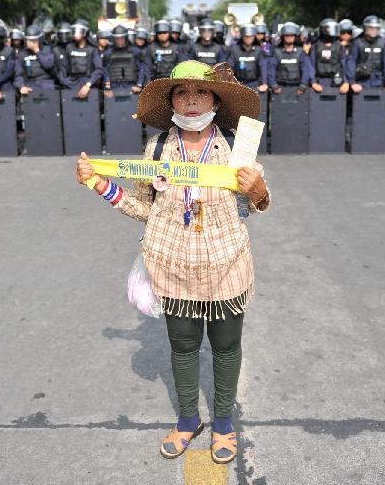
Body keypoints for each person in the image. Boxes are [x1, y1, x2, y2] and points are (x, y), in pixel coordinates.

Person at [75, 59, 270, 465]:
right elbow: (144, 207)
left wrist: (258, 189)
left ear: (216, 98)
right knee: (182, 347)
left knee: (226, 347)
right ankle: (187, 420)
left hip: (226, 263)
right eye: (182, 92)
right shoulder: (158, 148)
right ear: (172, 101)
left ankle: (222, 424)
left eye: (201, 92)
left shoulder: (237, 147)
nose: (193, 101)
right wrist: (97, 182)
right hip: (172, 265)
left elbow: (257, 205)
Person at [345, 15, 385, 94]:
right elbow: (351, 62)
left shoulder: (382, 43)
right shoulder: (357, 42)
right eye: (371, 28)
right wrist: (352, 82)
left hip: (379, 81)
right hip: (361, 82)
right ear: (365, 28)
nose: (373, 30)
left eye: (376, 28)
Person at [60, 20, 103, 99]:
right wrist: (66, 82)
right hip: (71, 84)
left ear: (85, 32)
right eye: (74, 31)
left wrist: (88, 85)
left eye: (79, 31)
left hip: (88, 84)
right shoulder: (69, 47)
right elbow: (63, 67)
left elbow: (99, 70)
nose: (76, 34)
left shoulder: (92, 49)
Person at [267, 22, 312, 94]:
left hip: (298, 88)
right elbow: (271, 70)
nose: (289, 37)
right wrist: (274, 85)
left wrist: (303, 85)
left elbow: (305, 69)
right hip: (280, 88)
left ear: (295, 37)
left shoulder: (301, 52)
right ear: (282, 37)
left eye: (292, 35)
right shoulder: (276, 52)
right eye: (287, 35)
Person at [102, 24, 145, 97]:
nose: (119, 41)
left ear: (126, 38)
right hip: (114, 87)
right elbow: (105, 70)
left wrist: (139, 85)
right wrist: (107, 87)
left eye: (121, 38)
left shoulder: (135, 51)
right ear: (113, 39)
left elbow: (141, 68)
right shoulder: (108, 53)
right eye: (117, 39)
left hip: (131, 87)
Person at [16, 25, 57, 94]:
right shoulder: (22, 54)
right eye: (29, 40)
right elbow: (18, 74)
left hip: (47, 84)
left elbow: (49, 65)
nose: (31, 42)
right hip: (30, 85)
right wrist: (21, 86)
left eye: (34, 40)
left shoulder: (48, 49)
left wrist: (37, 51)